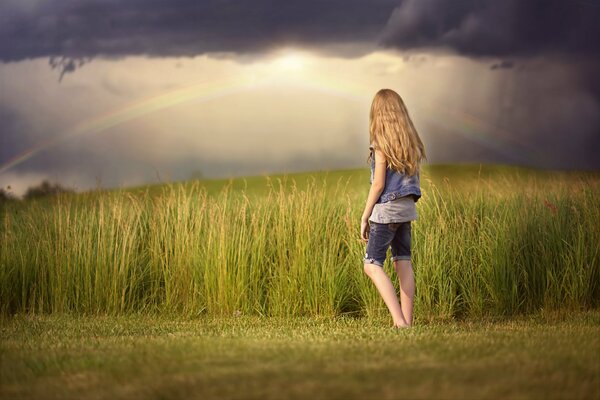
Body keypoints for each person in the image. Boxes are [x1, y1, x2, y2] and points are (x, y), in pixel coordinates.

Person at [360, 88, 426, 328]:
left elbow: (378, 184)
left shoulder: (380, 143)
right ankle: (407, 321)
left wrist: (365, 216)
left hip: (386, 210)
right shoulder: (410, 143)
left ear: (378, 114)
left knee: (371, 265)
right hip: (406, 209)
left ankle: (399, 322)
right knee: (402, 262)